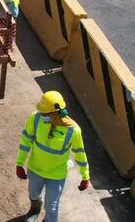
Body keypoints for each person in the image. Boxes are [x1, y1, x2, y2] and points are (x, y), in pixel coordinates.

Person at [16, 92, 90, 222]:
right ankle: (35, 209)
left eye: (45, 114)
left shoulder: (74, 131)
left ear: (56, 112)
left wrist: (85, 176)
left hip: (56, 176)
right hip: (35, 169)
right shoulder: (36, 118)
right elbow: (26, 140)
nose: (42, 115)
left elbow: (80, 153)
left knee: (52, 207)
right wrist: (19, 163)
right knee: (33, 195)